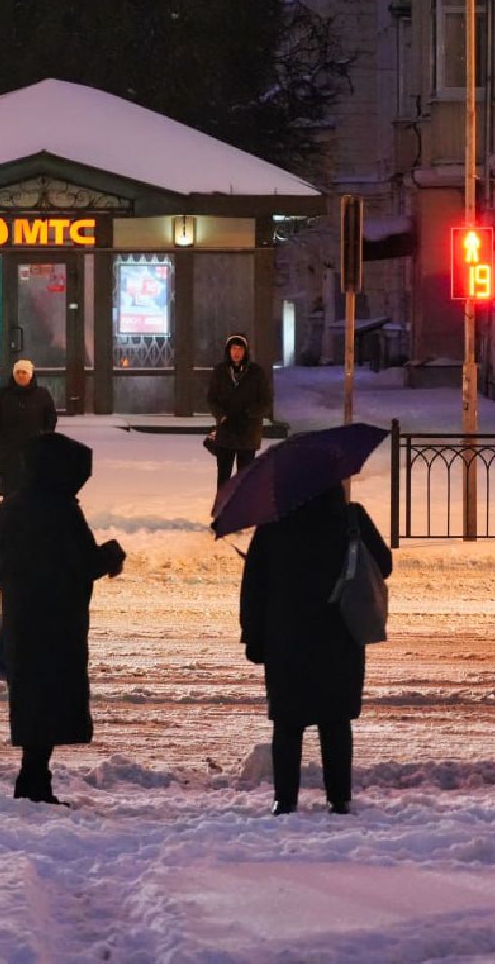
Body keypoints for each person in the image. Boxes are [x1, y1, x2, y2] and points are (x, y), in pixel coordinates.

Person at [0, 433, 125, 803]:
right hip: (57, 622)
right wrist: (111, 556)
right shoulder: (62, 510)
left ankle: (33, 779)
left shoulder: (9, 507)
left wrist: (17, 589)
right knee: (50, 699)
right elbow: (83, 563)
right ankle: (33, 781)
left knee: (31, 698)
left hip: (22, 618)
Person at [239, 484, 391, 815]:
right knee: (335, 721)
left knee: (287, 723)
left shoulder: (274, 522)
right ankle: (339, 798)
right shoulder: (352, 518)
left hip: (286, 637)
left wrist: (253, 636)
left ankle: (285, 799)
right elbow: (385, 564)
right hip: (340, 634)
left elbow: (254, 583)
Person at [206, 334, 273, 491]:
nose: (237, 352)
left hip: (248, 433)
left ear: (246, 351)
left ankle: (243, 512)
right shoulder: (220, 371)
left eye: (240, 348)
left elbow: (266, 401)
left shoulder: (256, 372)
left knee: (245, 479)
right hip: (226, 431)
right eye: (233, 348)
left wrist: (250, 414)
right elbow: (211, 398)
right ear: (228, 350)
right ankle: (222, 511)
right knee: (224, 477)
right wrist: (221, 415)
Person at [0, 359, 57, 499]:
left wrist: (44, 438)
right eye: (18, 372)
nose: (21, 375)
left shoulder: (42, 395)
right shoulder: (4, 394)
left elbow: (50, 418)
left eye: (24, 372)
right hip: (8, 452)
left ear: (30, 374)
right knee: (10, 490)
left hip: (34, 451)